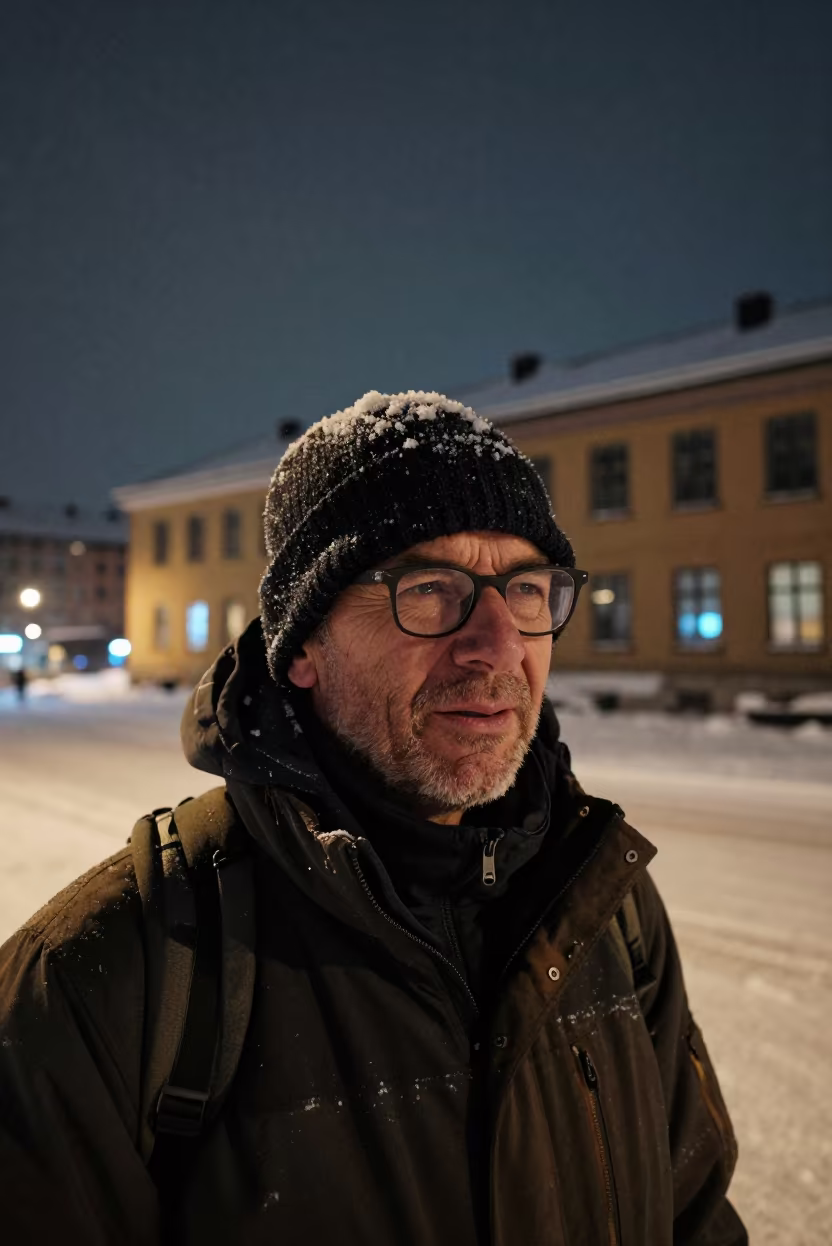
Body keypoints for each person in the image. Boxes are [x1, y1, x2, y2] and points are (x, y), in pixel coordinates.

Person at [0, 391, 746, 1244]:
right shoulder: (101, 984)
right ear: (305, 646)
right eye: (431, 589)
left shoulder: (606, 908)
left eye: (529, 590)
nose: (498, 645)